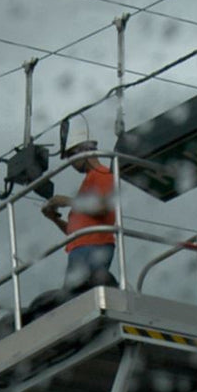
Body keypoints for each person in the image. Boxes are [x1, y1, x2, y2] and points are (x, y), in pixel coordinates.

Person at [40, 116, 118, 291]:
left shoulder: (103, 174)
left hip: (94, 246)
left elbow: (103, 207)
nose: (71, 164)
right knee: (74, 299)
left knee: (76, 296)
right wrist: (54, 218)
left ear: (84, 151)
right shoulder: (88, 182)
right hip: (81, 247)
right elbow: (74, 231)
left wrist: (67, 201)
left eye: (71, 157)